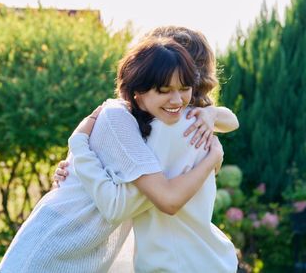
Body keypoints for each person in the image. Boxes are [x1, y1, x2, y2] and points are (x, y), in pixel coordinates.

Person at [0, 36, 225, 273]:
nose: (177, 100)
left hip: (80, 251)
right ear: (139, 88)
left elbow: (228, 120)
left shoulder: (168, 125)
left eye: (184, 87)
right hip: (53, 245)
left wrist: (213, 116)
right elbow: (125, 205)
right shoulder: (118, 117)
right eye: (165, 88)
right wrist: (78, 145)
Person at [55, 26, 239, 272]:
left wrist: (80, 152)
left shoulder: (171, 127)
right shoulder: (192, 123)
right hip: (204, 257)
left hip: (175, 262)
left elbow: (119, 203)